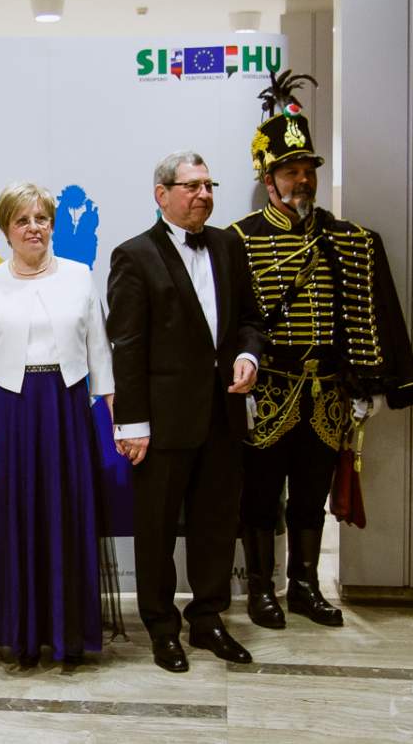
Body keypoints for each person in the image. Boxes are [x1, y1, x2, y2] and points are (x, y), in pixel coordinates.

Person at [230, 72, 413, 630]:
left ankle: (304, 587)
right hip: (269, 388)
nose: (302, 180)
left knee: (311, 494)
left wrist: (377, 382)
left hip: (327, 393)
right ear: (268, 178)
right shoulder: (239, 239)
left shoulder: (348, 239)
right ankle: (261, 591)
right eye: (290, 170)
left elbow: (374, 313)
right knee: (260, 496)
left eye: (308, 170)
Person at [106, 151, 266, 673]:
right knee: (155, 529)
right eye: (192, 186)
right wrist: (132, 424)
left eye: (208, 185)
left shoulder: (228, 245)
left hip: (224, 414)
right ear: (162, 195)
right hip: (161, 423)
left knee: (215, 524)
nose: (204, 194)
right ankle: (160, 627)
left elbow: (251, 319)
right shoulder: (134, 256)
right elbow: (127, 347)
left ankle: (208, 619)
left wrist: (248, 356)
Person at [0, 181, 121, 667]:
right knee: (14, 520)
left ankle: (67, 631)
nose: (34, 228)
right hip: (8, 412)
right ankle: (20, 633)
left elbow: (100, 355)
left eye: (42, 219)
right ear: (5, 229)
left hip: (66, 410)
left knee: (67, 516)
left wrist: (117, 422)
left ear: (52, 225)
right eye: (22, 220)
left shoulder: (78, 276)